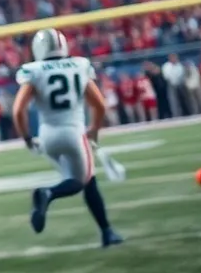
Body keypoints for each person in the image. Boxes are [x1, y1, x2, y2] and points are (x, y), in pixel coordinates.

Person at [13, 29, 122, 248]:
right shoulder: (79, 65)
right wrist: (94, 129)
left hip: (47, 138)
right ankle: (49, 193)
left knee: (86, 181)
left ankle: (107, 232)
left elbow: (18, 111)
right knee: (81, 182)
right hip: (73, 133)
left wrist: (26, 138)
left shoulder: (33, 70)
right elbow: (99, 104)